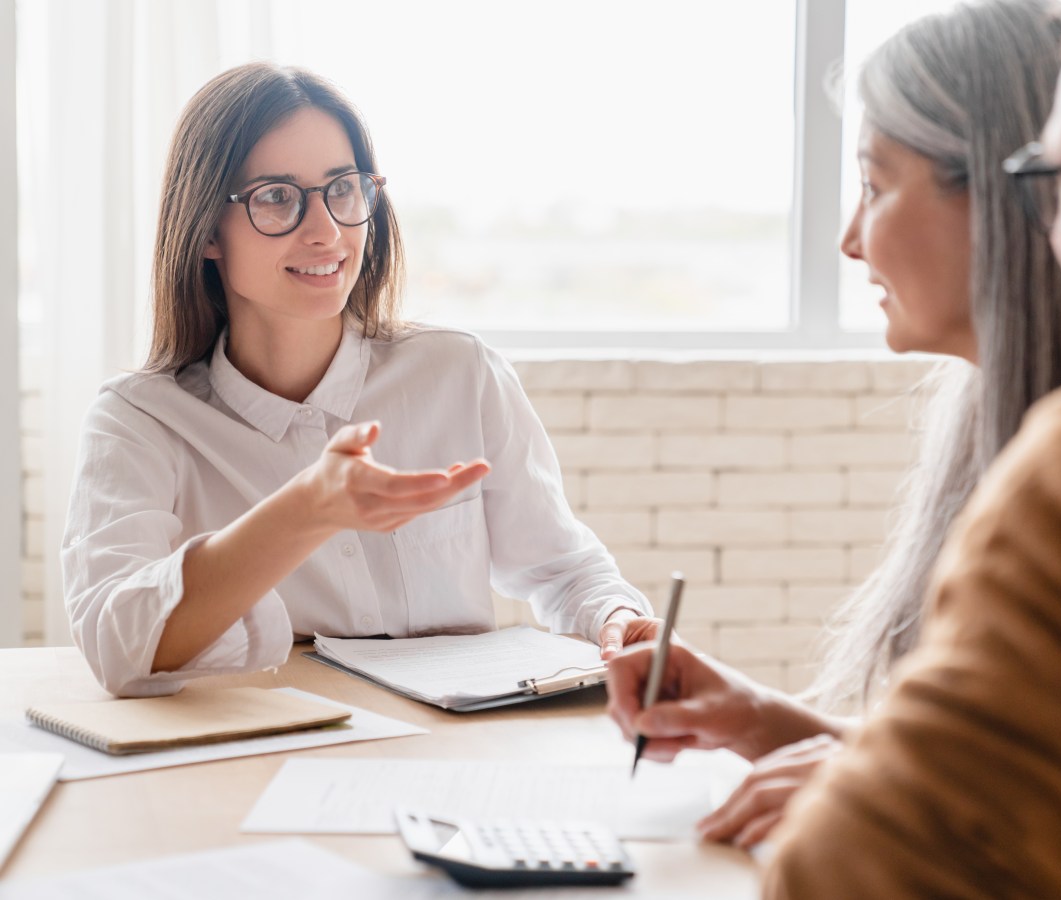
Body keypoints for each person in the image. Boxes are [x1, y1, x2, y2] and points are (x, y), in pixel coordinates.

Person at [619, 0, 1061, 893]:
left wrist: (861, 794)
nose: (1058, 225)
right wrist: (786, 726)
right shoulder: (1032, 443)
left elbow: (861, 874)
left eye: (1057, 179)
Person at [63, 63, 654, 698]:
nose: (326, 232)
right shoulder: (139, 419)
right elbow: (117, 644)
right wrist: (305, 510)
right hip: (266, 755)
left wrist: (615, 617)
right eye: (276, 197)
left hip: (446, 752)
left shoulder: (459, 372)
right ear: (207, 231)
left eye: (342, 188)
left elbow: (563, 569)